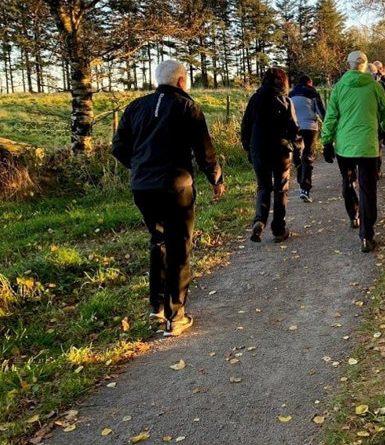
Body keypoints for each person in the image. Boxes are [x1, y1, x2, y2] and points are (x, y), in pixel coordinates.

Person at [112, 60, 225, 337]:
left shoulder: (136, 106)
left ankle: (158, 305)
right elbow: (204, 151)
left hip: (143, 188)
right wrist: (216, 179)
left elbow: (118, 148)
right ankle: (176, 317)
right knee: (179, 246)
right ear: (181, 81)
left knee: (158, 240)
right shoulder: (188, 108)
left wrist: (140, 168)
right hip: (176, 186)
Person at [322, 51, 385, 253]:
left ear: (348, 65)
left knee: (347, 181)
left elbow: (331, 116)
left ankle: (353, 214)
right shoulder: (374, 86)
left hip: (345, 147)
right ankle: (367, 235)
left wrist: (326, 141)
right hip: (368, 147)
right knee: (367, 189)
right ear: (365, 66)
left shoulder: (339, 88)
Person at [241, 67, 300, 243]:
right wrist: (298, 149)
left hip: (259, 150)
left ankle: (259, 221)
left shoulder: (255, 100)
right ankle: (278, 229)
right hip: (280, 151)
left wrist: (249, 148)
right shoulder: (286, 101)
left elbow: (246, 126)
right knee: (281, 188)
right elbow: (294, 129)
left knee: (263, 187)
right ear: (284, 82)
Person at [289, 74, 326, 202]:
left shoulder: (291, 94)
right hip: (310, 127)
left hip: (295, 128)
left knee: (297, 153)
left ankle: (300, 176)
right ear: (310, 83)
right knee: (308, 155)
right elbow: (321, 111)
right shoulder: (312, 92)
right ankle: (305, 188)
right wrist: (326, 126)